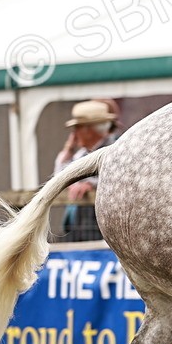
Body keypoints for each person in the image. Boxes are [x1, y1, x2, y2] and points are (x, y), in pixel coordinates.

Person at [55, 100, 120, 241]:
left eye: (77, 128)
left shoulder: (115, 149)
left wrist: (91, 184)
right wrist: (69, 149)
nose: (74, 134)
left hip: (104, 228)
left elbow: (118, 178)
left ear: (90, 130)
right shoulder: (82, 153)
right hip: (80, 227)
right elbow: (58, 177)